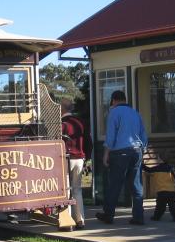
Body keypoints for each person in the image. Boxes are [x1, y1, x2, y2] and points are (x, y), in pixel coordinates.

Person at [97, 90, 147, 225]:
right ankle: (138, 216)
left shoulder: (114, 113)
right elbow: (143, 134)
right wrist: (143, 149)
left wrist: (106, 154)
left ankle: (108, 215)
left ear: (113, 100)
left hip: (120, 153)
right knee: (136, 185)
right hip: (137, 151)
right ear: (125, 99)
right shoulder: (135, 113)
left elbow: (111, 136)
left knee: (114, 184)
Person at [61, 98, 90, 230]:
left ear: (62, 108)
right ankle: (80, 220)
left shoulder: (62, 124)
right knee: (77, 189)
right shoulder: (81, 122)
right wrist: (86, 157)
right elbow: (88, 141)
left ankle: (67, 221)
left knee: (65, 190)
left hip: (66, 159)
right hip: (79, 158)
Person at [143, 155, 175, 221]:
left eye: (158, 158)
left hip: (161, 191)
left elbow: (148, 170)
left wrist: (142, 165)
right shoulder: (171, 168)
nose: (157, 159)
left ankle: (156, 217)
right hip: (171, 191)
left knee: (160, 207)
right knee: (174, 206)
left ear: (161, 160)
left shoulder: (157, 168)